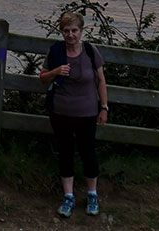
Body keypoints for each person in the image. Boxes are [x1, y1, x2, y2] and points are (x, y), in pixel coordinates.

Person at [40, 12, 108, 218]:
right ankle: (68, 196)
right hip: (60, 113)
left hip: (87, 113)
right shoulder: (55, 51)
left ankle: (92, 194)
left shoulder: (90, 51)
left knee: (88, 152)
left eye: (74, 31)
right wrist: (56, 71)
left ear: (81, 31)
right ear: (62, 32)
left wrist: (104, 107)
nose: (70, 35)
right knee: (65, 152)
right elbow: (43, 78)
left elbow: (101, 81)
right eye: (66, 31)